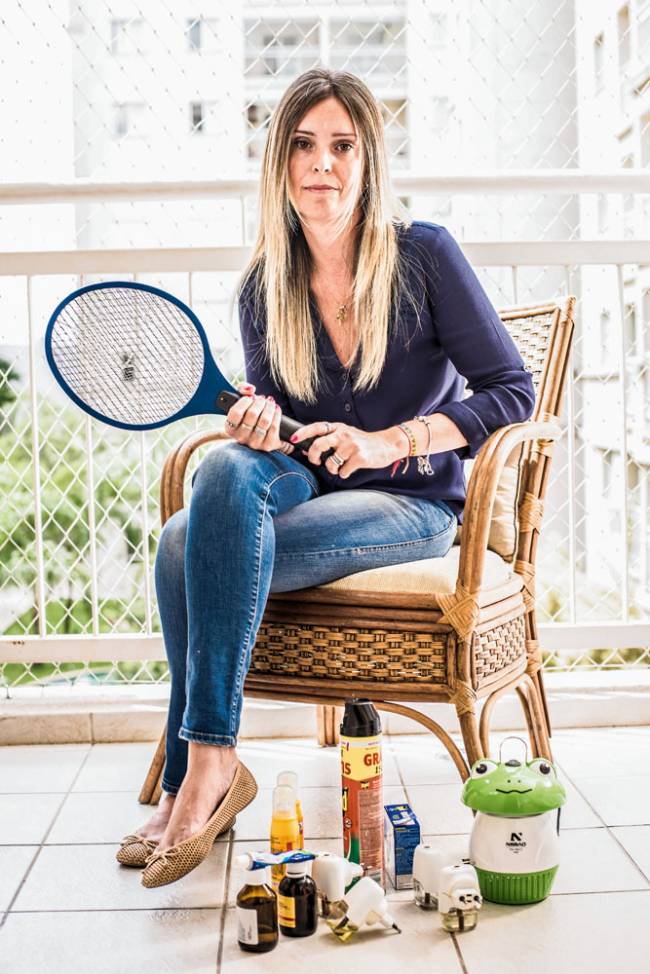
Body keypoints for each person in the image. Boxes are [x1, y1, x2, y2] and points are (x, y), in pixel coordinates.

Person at [117, 68, 535, 888]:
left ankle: (193, 775)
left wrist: (389, 442)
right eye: (304, 146)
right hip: (316, 489)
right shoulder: (262, 288)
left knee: (179, 548)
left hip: (412, 499)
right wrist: (260, 422)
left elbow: (511, 391)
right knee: (219, 480)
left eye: (342, 146)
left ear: (369, 161)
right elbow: (279, 428)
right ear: (280, 166)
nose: (323, 164)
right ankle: (211, 762)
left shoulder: (425, 256)